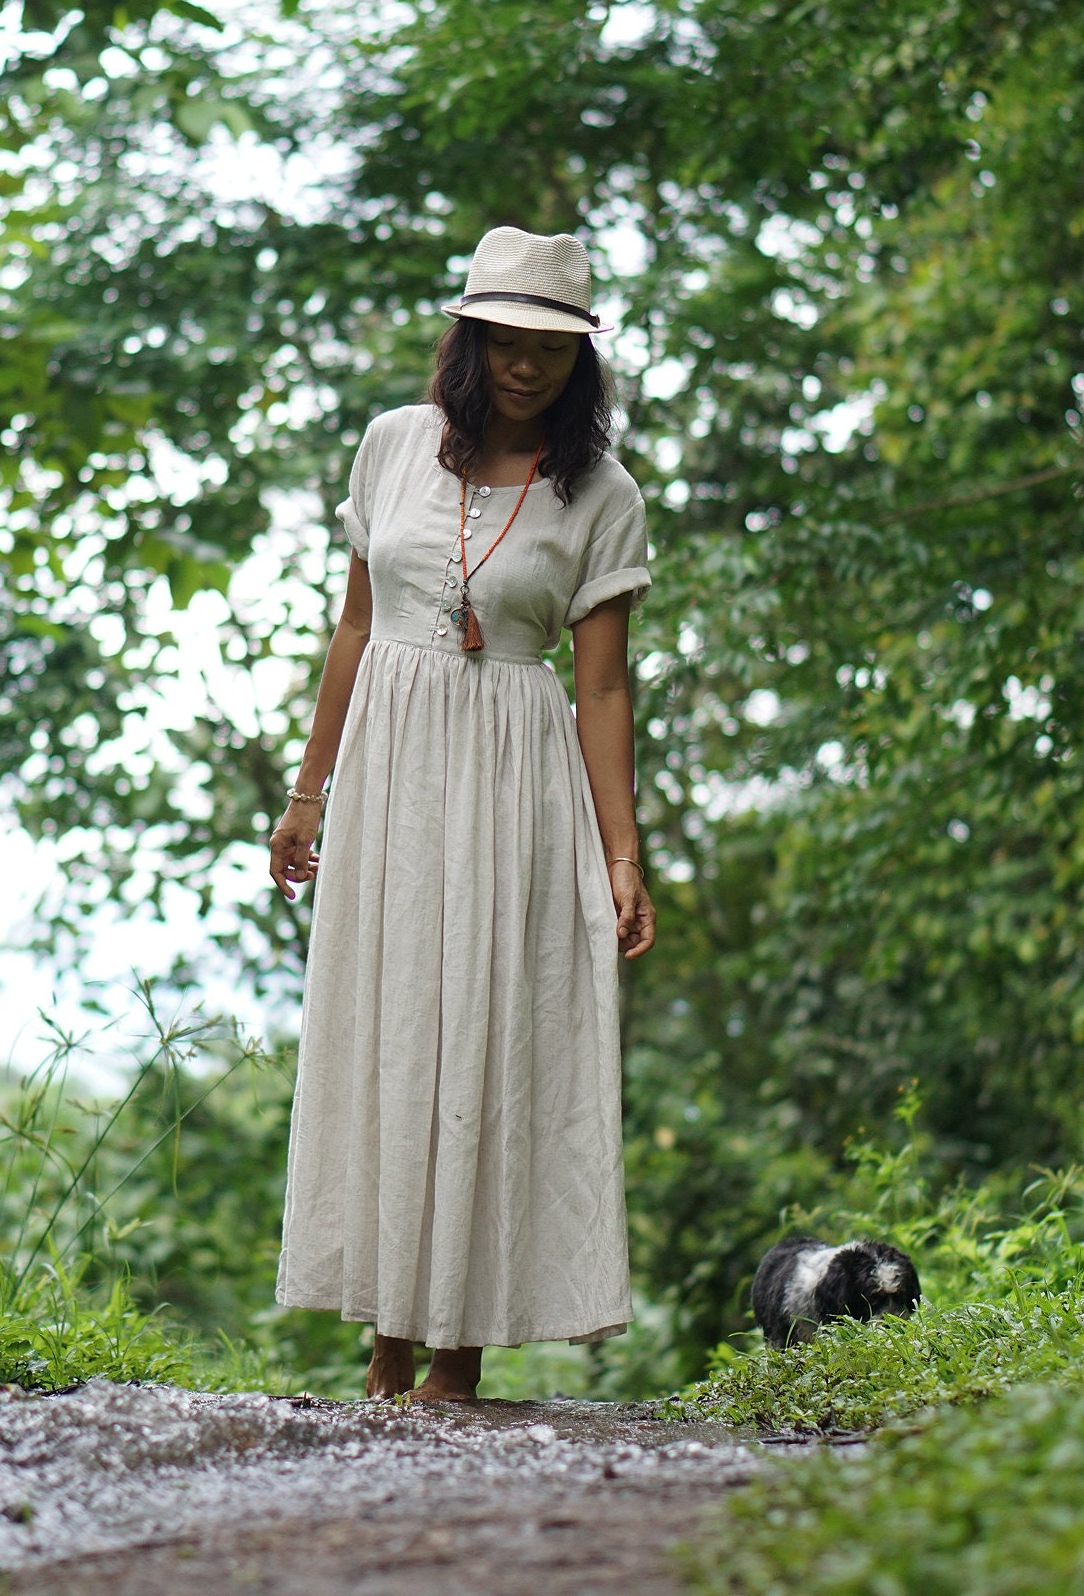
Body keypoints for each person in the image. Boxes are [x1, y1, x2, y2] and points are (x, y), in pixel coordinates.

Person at [270, 225, 656, 1403]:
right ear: (471, 334)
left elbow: (600, 685)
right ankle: (384, 1348)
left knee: (488, 1036)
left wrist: (621, 852)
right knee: (389, 1030)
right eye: (504, 337)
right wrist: (306, 788)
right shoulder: (391, 448)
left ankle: (456, 1357)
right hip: (390, 774)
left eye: (549, 343)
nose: (524, 363)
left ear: (579, 356)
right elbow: (353, 625)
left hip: (514, 781)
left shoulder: (601, 493)